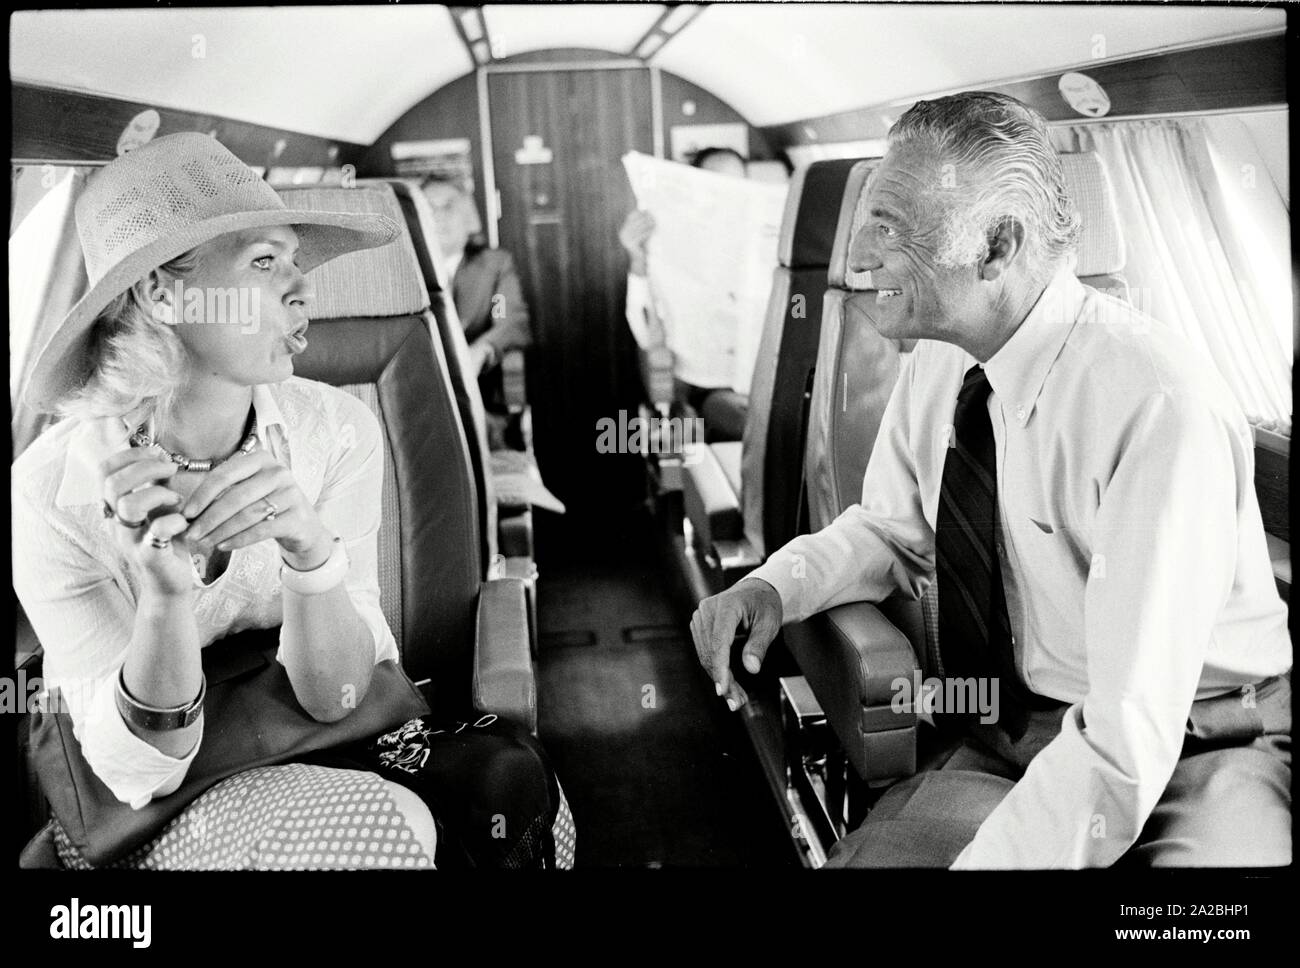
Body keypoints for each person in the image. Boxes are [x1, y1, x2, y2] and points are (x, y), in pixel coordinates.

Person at [689, 92, 1291, 868]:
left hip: (1207, 741)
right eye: (866, 217)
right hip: (1023, 731)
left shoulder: (1154, 404)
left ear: (997, 247)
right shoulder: (945, 356)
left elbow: (1127, 730)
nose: (859, 253)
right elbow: (890, 531)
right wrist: (773, 588)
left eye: (893, 226)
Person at [13, 133, 572, 869]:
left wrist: (311, 557)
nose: (302, 290)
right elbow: (140, 772)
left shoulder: (336, 430)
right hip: (155, 801)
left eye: (296, 262)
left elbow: (338, 696)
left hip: (321, 734)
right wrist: (163, 600)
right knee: (385, 832)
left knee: (520, 793)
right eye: (264, 263)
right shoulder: (51, 491)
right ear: (160, 291)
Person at [618, 146, 752, 442]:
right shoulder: (672, 241)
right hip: (704, 385)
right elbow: (642, 328)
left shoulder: (762, 240)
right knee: (751, 425)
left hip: (765, 379)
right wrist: (636, 256)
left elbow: (799, 308)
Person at [419, 174, 532, 437]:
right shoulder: (403, 273)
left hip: (479, 403)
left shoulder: (494, 269)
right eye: (428, 208)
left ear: (469, 216)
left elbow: (508, 320)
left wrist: (481, 351)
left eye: (448, 206)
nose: (438, 216)